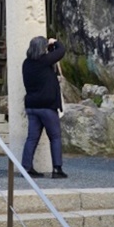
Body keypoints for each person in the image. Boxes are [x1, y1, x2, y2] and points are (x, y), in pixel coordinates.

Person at [21, 34, 67, 179]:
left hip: (31, 106)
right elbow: (61, 51)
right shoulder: (44, 61)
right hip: (47, 106)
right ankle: (57, 169)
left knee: (32, 138)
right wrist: (55, 43)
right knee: (55, 137)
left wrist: (49, 46)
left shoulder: (26, 63)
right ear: (43, 48)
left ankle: (26, 167)